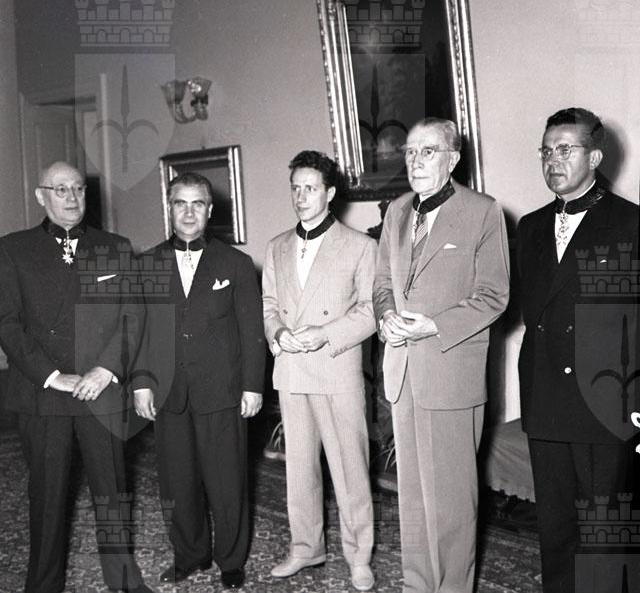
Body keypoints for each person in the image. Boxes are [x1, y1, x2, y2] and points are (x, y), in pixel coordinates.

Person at [0, 161, 152, 593]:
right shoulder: (12, 249)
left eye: (79, 189)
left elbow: (133, 314)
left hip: (101, 389)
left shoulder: (115, 246)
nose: (72, 197)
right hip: (43, 393)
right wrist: (52, 376)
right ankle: (42, 585)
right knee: (47, 497)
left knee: (112, 490)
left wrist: (106, 368)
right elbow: (7, 323)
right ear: (40, 196)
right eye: (61, 189)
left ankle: (124, 581)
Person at [373, 118, 510, 592]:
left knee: (451, 502)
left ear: (452, 159)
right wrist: (385, 316)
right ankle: (417, 585)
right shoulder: (396, 211)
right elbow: (382, 283)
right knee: (411, 496)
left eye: (427, 151)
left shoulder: (482, 211)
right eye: (409, 152)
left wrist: (434, 325)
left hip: (450, 371)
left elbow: (494, 295)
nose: (415, 161)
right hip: (402, 370)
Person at [516, 107, 639, 592]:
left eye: (565, 149)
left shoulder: (630, 222)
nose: (553, 160)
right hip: (546, 401)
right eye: (546, 150)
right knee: (556, 531)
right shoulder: (530, 227)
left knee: (605, 537)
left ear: (595, 157)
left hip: (606, 404)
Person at [133, 172, 264, 590]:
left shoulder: (236, 264)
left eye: (197, 204)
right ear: (169, 208)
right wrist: (140, 383)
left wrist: (253, 386)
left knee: (227, 482)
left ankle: (231, 560)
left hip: (222, 391)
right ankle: (190, 555)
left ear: (210, 210)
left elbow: (251, 330)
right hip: (168, 392)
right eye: (180, 203)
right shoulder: (146, 264)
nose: (188, 213)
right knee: (177, 482)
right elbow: (137, 329)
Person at [262, 150, 377, 591]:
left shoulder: (360, 246)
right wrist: (277, 333)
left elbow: (371, 310)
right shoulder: (277, 246)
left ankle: (358, 556)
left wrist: (325, 333)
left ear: (330, 193)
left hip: (335, 370)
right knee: (299, 470)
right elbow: (269, 304)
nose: (301, 197)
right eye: (296, 188)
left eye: (310, 188)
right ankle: (306, 548)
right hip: (292, 370)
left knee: (350, 470)